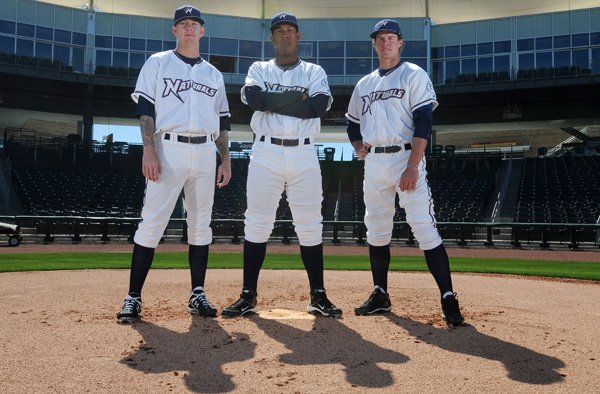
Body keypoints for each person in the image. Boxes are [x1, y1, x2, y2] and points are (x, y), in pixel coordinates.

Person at [221, 12, 341, 318]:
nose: (285, 34)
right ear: (272, 37)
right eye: (279, 31)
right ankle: (248, 295)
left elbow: (317, 107)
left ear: (298, 36)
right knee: (257, 222)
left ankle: (318, 295)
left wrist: (274, 99)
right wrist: (295, 98)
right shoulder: (259, 68)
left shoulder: (314, 71)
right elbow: (253, 98)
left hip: (304, 154)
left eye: (290, 30)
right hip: (265, 153)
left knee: (310, 226)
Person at [345, 19, 465, 326]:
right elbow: (351, 123)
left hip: (404, 158)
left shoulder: (413, 74)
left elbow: (424, 121)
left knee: (424, 228)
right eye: (380, 38)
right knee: (376, 229)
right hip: (374, 163)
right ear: (374, 44)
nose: (385, 42)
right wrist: (358, 146)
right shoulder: (364, 84)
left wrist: (413, 164)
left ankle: (448, 298)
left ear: (400, 43)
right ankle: (380, 294)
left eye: (390, 38)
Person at [116, 5, 231, 323]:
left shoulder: (214, 74)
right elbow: (146, 109)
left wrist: (226, 159)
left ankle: (197, 294)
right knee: (151, 223)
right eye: (184, 23)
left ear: (202, 31)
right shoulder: (158, 63)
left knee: (200, 225)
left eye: (195, 23)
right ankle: (133, 298)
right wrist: (148, 150)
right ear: (175, 30)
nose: (190, 28)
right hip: (168, 149)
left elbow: (222, 121)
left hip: (206, 152)